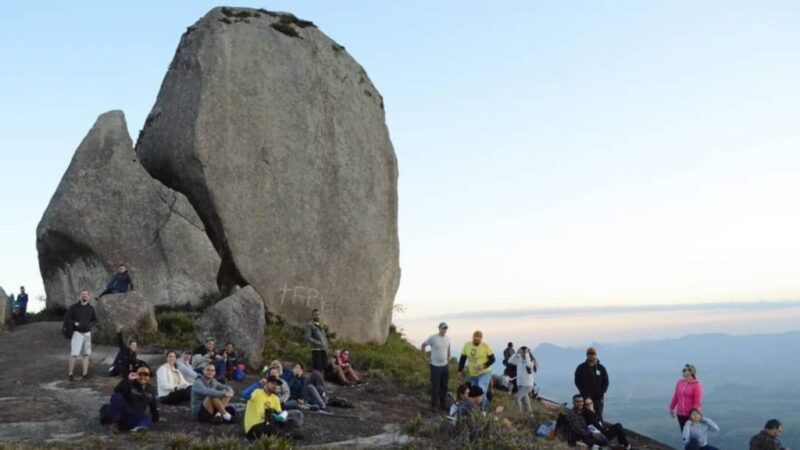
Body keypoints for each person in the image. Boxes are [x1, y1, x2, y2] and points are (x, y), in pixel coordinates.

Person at [244, 375, 304, 440]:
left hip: (269, 425)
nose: (274, 386)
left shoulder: (275, 398)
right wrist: (258, 384)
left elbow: (280, 414)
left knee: (291, 421)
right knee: (270, 426)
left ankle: (284, 434)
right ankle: (285, 435)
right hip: (254, 427)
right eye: (272, 383)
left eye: (276, 384)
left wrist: (282, 418)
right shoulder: (257, 392)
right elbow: (244, 395)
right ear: (266, 383)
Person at [107, 366, 160, 432]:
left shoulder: (151, 390)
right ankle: (115, 424)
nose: (143, 377)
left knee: (147, 417)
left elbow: (153, 406)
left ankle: (139, 429)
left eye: (146, 375)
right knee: (117, 396)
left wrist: (156, 418)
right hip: (124, 414)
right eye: (140, 374)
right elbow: (117, 390)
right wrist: (128, 379)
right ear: (136, 375)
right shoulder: (130, 384)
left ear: (149, 377)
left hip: (137, 416)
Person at [457, 330, 496, 409]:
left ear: (481, 339)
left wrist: (484, 366)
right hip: (473, 374)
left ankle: (483, 408)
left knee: (481, 390)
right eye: (474, 339)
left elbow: (493, 359)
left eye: (478, 340)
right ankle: (476, 408)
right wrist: (460, 371)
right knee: (474, 392)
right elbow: (463, 359)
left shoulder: (485, 346)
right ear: (472, 338)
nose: (476, 341)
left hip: (484, 372)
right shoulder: (467, 345)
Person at [65, 290, 97, 381]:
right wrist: (75, 323)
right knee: (74, 354)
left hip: (87, 334)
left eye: (86, 295)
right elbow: (67, 319)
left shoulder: (91, 308)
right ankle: (70, 374)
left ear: (89, 297)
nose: (84, 296)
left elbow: (95, 320)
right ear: (80, 296)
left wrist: (90, 325)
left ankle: (85, 374)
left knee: (86, 354)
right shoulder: (74, 307)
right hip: (77, 333)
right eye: (83, 295)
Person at [421, 322, 451, 412]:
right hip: (435, 366)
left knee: (444, 386)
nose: (444, 330)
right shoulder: (433, 338)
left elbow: (448, 347)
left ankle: (443, 404)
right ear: (439, 329)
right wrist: (425, 358)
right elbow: (423, 345)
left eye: (446, 328)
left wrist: (449, 357)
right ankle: (434, 405)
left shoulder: (447, 338)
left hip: (445, 366)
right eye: (443, 328)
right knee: (435, 386)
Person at [574, 347, 609, 420]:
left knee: (598, 415)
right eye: (589, 354)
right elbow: (577, 381)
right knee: (585, 415)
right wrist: (583, 392)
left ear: (596, 355)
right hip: (585, 397)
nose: (591, 355)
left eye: (593, 354)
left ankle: (600, 429)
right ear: (586, 355)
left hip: (598, 398)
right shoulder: (581, 368)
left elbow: (606, 381)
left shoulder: (601, 368)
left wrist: (601, 392)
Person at [669, 363, 703, 431]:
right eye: (683, 370)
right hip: (680, 414)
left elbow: (697, 402)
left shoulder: (697, 385)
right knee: (684, 434)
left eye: (685, 370)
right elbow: (676, 396)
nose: (683, 371)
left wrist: (693, 416)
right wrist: (671, 408)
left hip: (691, 416)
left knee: (692, 435)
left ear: (691, 372)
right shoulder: (680, 382)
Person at [507, 346, 536, 412]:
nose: (522, 353)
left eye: (523, 352)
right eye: (522, 352)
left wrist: (527, 354)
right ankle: (530, 415)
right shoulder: (519, 359)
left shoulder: (531, 360)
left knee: (517, 397)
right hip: (520, 384)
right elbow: (510, 361)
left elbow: (528, 365)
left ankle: (519, 414)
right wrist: (516, 353)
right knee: (526, 403)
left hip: (528, 385)